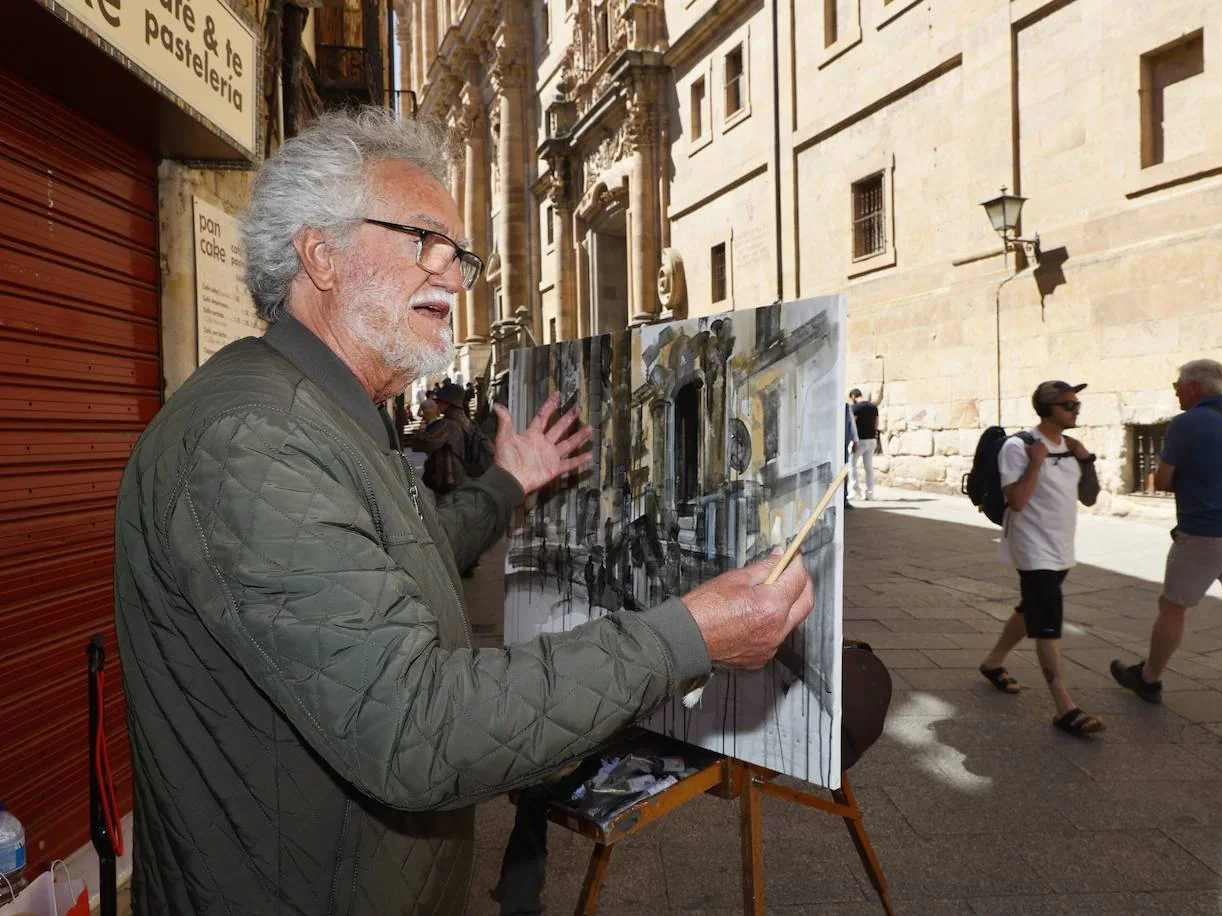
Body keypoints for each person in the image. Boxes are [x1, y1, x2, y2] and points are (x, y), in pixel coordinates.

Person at [113, 109, 815, 916]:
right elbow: (413, 724)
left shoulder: (328, 413)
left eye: (459, 256)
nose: (451, 276)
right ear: (321, 255)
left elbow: (397, 561)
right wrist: (687, 635)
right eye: (423, 240)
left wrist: (510, 482)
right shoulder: (252, 439)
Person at [1110, 359, 1222, 743]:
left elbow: (1162, 480)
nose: (1175, 389)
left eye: (1178, 383)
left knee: (1173, 607)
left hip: (1206, 531)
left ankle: (1150, 678)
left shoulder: (1186, 423)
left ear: (1195, 386)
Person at [977, 381, 1104, 736]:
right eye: (1068, 405)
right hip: (1033, 548)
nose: (1076, 410)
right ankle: (1066, 707)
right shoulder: (1020, 448)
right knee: (1048, 622)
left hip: (1062, 547)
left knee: (1030, 608)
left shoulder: (1071, 447)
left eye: (1077, 404)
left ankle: (992, 662)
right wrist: (1035, 463)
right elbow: (1016, 500)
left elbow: (1090, 498)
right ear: (1047, 408)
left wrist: (1086, 460)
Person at [849, 381, 883, 500]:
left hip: (860, 440)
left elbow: (852, 425)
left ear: (853, 397)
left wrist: (854, 440)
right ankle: (870, 493)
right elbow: (877, 424)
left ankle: (856, 491)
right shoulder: (874, 407)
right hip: (872, 440)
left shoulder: (855, 408)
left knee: (851, 464)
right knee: (868, 467)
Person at [844, 398, 859, 509]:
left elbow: (851, 424)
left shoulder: (845, 407)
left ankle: (844, 498)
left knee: (843, 472)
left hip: (841, 444)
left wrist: (855, 440)